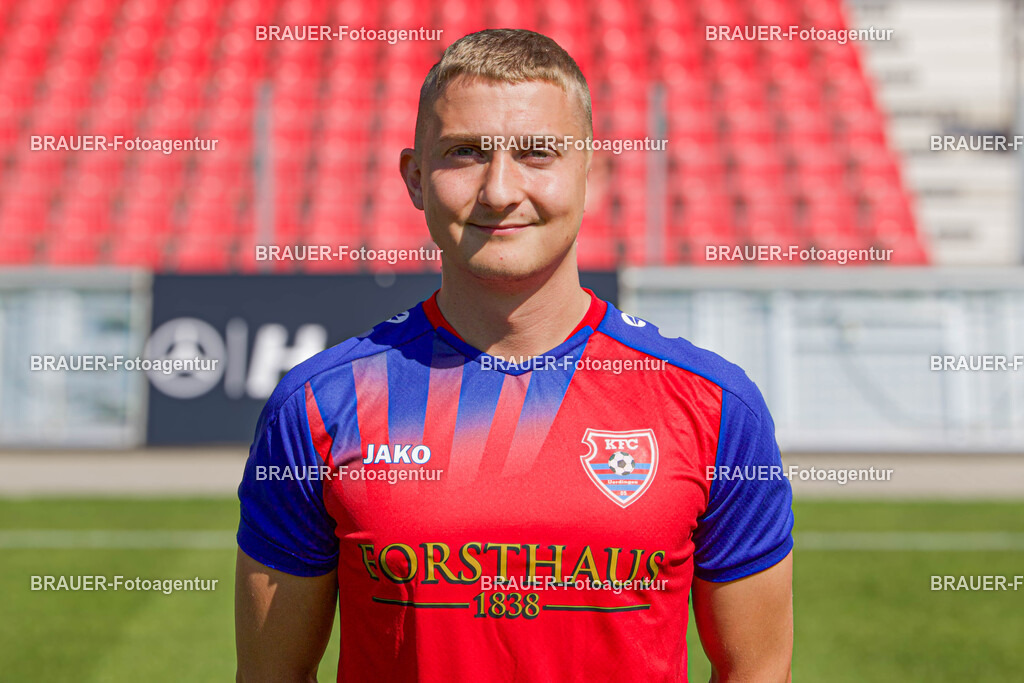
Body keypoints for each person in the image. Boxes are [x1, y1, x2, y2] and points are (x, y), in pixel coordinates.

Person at [235, 28, 793, 683]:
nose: (500, 189)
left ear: (594, 171)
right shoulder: (318, 405)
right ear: (415, 177)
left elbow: (757, 670)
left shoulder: (714, 406)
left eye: (536, 154)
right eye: (465, 153)